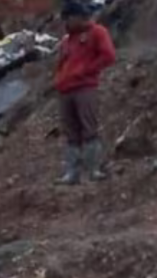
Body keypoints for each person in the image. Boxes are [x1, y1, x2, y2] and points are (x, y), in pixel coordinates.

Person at [54, 1, 116, 185]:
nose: (67, 23)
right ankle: (72, 173)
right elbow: (61, 63)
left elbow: (109, 56)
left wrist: (87, 70)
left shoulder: (97, 32)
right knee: (71, 131)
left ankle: (93, 169)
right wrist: (59, 78)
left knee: (89, 127)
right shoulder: (67, 40)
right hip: (66, 89)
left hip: (84, 87)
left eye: (69, 18)